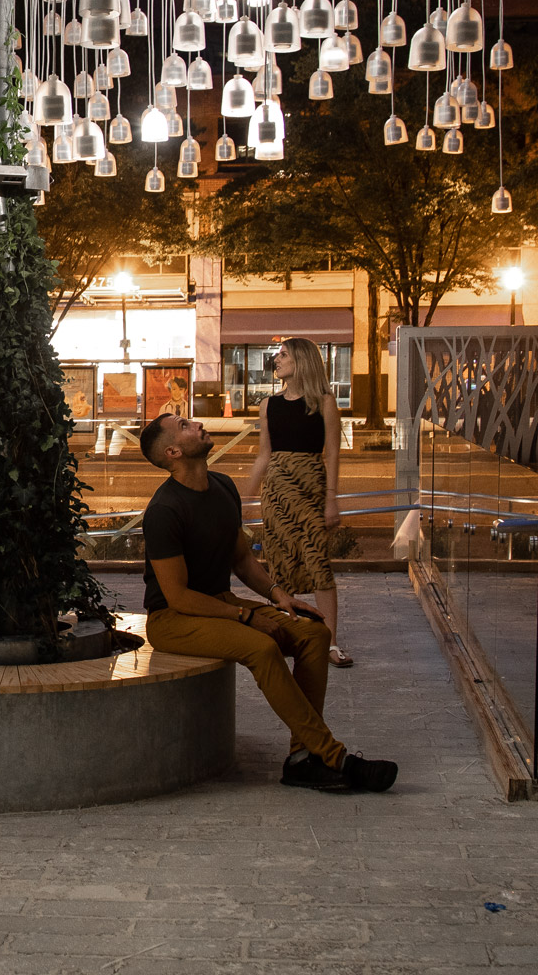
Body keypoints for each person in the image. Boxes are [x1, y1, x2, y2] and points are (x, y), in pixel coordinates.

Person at [135, 411, 396, 793]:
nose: (197, 424)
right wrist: (244, 616)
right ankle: (333, 756)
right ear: (173, 451)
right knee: (262, 646)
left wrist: (279, 596)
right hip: (173, 618)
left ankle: (302, 759)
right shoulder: (163, 511)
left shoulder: (222, 487)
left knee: (315, 634)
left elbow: (241, 558)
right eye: (185, 426)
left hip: (219, 602)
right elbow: (177, 596)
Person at [244, 338, 350, 667]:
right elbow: (264, 455)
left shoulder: (324, 402)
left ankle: (329, 641)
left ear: (301, 360)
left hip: (311, 486)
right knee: (279, 564)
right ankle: (289, 634)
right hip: (277, 490)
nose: (277, 359)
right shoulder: (268, 405)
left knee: (318, 562)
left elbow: (332, 452)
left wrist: (332, 499)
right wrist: (246, 496)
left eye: (284, 354)